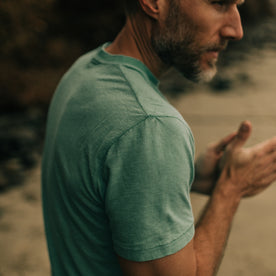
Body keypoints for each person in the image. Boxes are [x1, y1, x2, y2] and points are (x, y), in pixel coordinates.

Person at [41, 0, 276, 275]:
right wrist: (230, 188)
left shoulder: (85, 71)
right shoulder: (150, 125)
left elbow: (99, 190)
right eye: (219, 3)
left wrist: (189, 177)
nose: (236, 30)